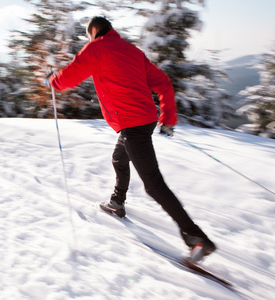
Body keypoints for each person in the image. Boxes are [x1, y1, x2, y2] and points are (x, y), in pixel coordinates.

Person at [48, 16, 215, 262]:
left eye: (89, 35)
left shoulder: (96, 47)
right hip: (144, 121)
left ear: (93, 31)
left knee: (153, 184)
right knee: (119, 157)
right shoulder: (132, 51)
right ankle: (117, 202)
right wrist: (167, 117)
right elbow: (163, 83)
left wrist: (53, 79)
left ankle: (197, 238)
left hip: (132, 124)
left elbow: (68, 79)